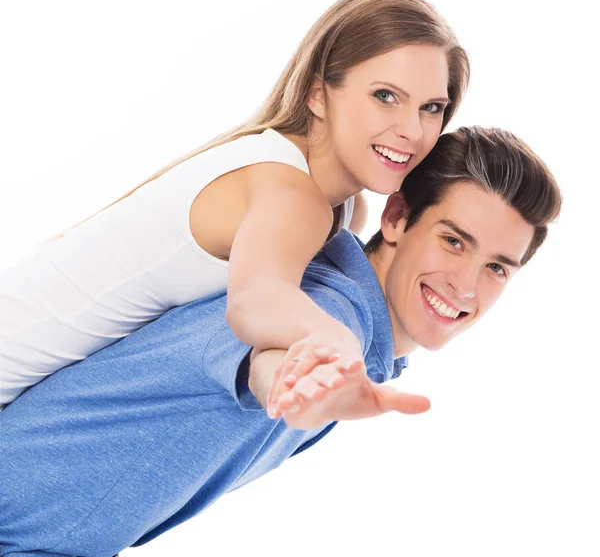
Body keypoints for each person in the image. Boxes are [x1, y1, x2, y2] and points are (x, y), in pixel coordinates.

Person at [0, 126, 561, 556]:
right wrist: (299, 372)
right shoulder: (328, 310)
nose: (465, 286)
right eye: (453, 241)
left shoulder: (347, 325)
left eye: (497, 268)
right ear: (396, 217)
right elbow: (261, 358)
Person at [0, 0, 470, 409]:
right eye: (386, 96)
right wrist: (338, 343)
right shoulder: (291, 194)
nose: (412, 129)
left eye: (431, 107)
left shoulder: (341, 205)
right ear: (317, 95)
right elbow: (257, 297)